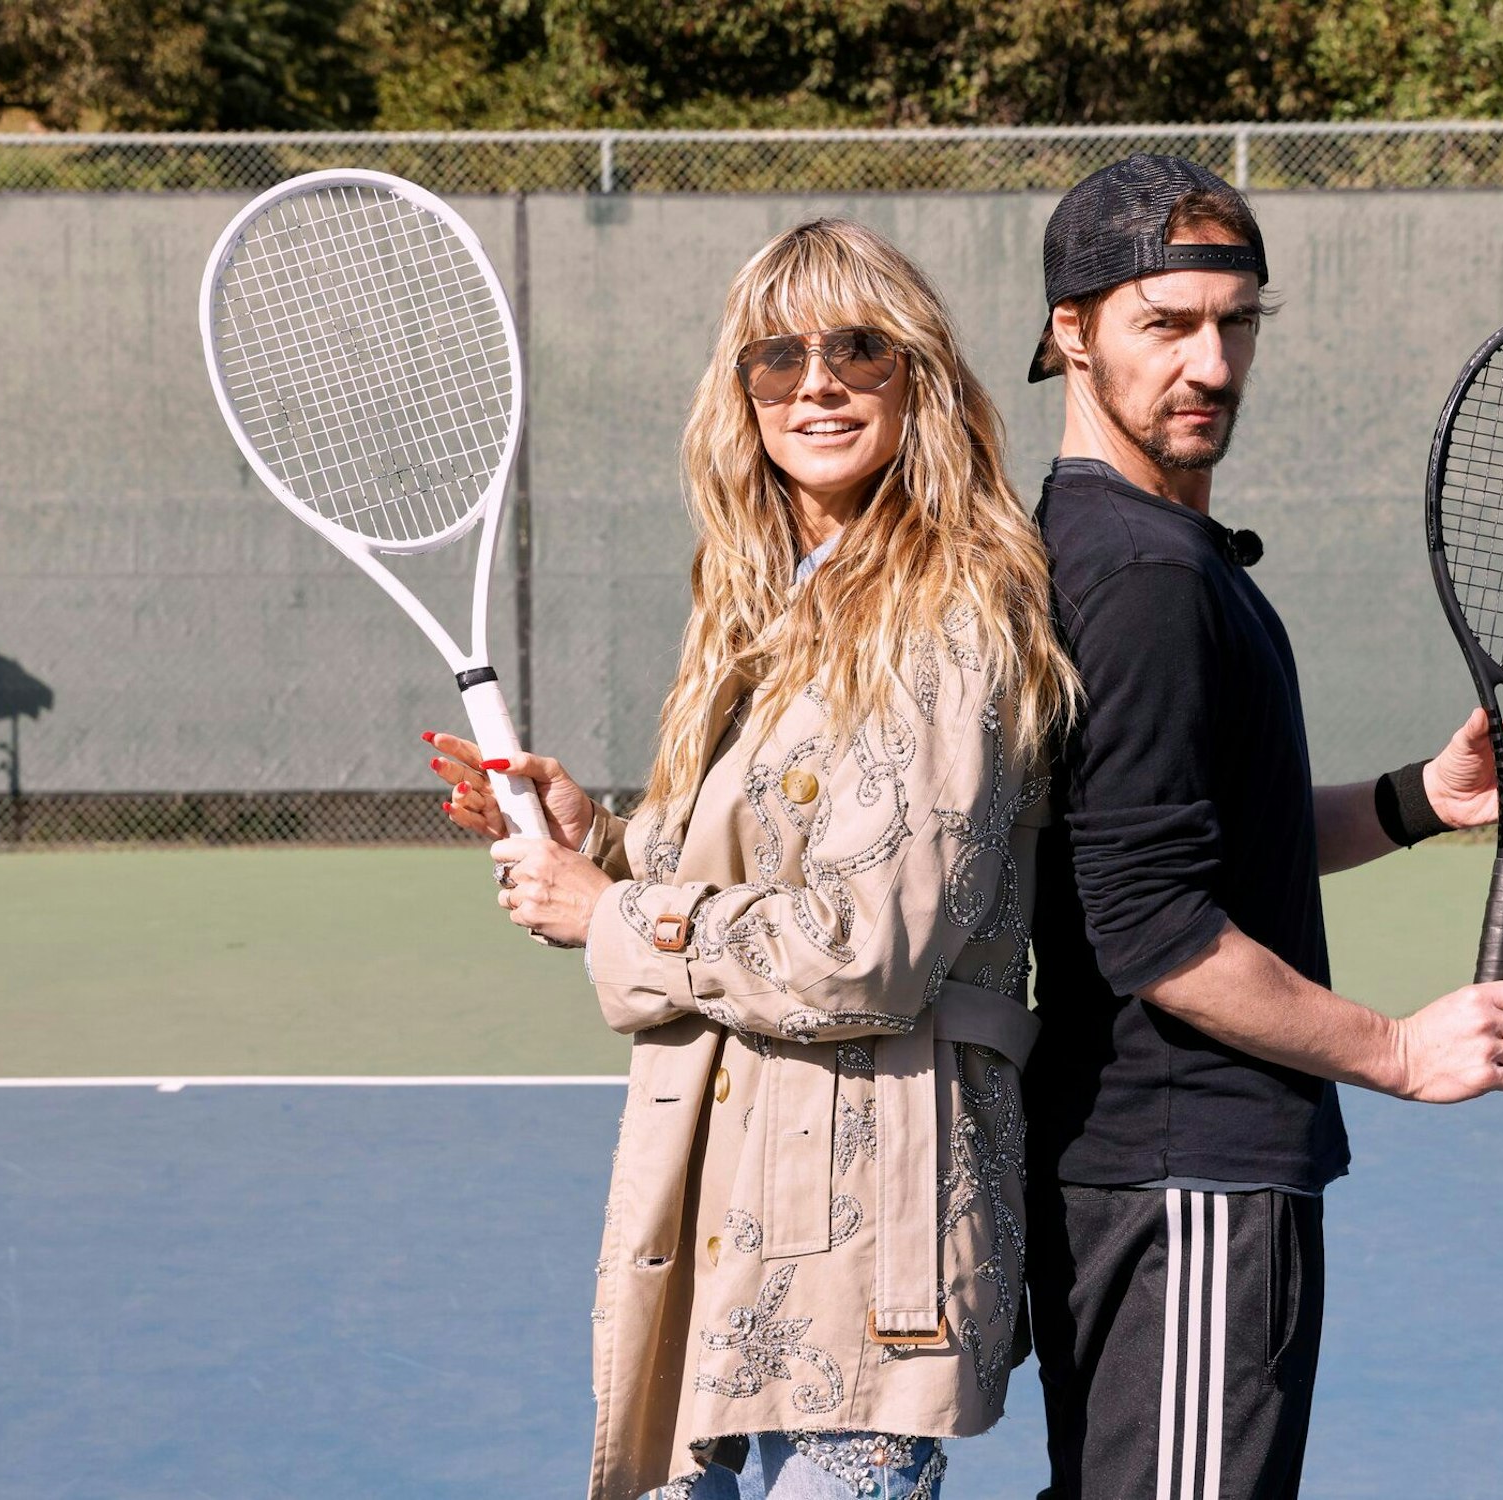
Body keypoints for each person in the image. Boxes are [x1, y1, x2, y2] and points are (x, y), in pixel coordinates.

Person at [422, 218, 1078, 1500]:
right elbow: (755, 873)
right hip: (725, 1219)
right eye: (777, 358)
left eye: (857, 348)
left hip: (860, 1251)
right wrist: (597, 840)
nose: (816, 382)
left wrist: (612, 915)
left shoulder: (949, 606)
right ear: (743, 394)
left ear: (919, 377)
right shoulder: (761, 598)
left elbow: (866, 953)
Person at [1021, 155, 1503, 1500]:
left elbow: (1189, 838)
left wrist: (1418, 800)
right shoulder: (1140, 578)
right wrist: (1399, 1050)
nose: (1211, 364)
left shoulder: (1123, 550)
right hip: (1185, 1173)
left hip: (1171, 1173)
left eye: (1237, 324)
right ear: (1072, 332)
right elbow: (1158, 931)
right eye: (1166, 324)